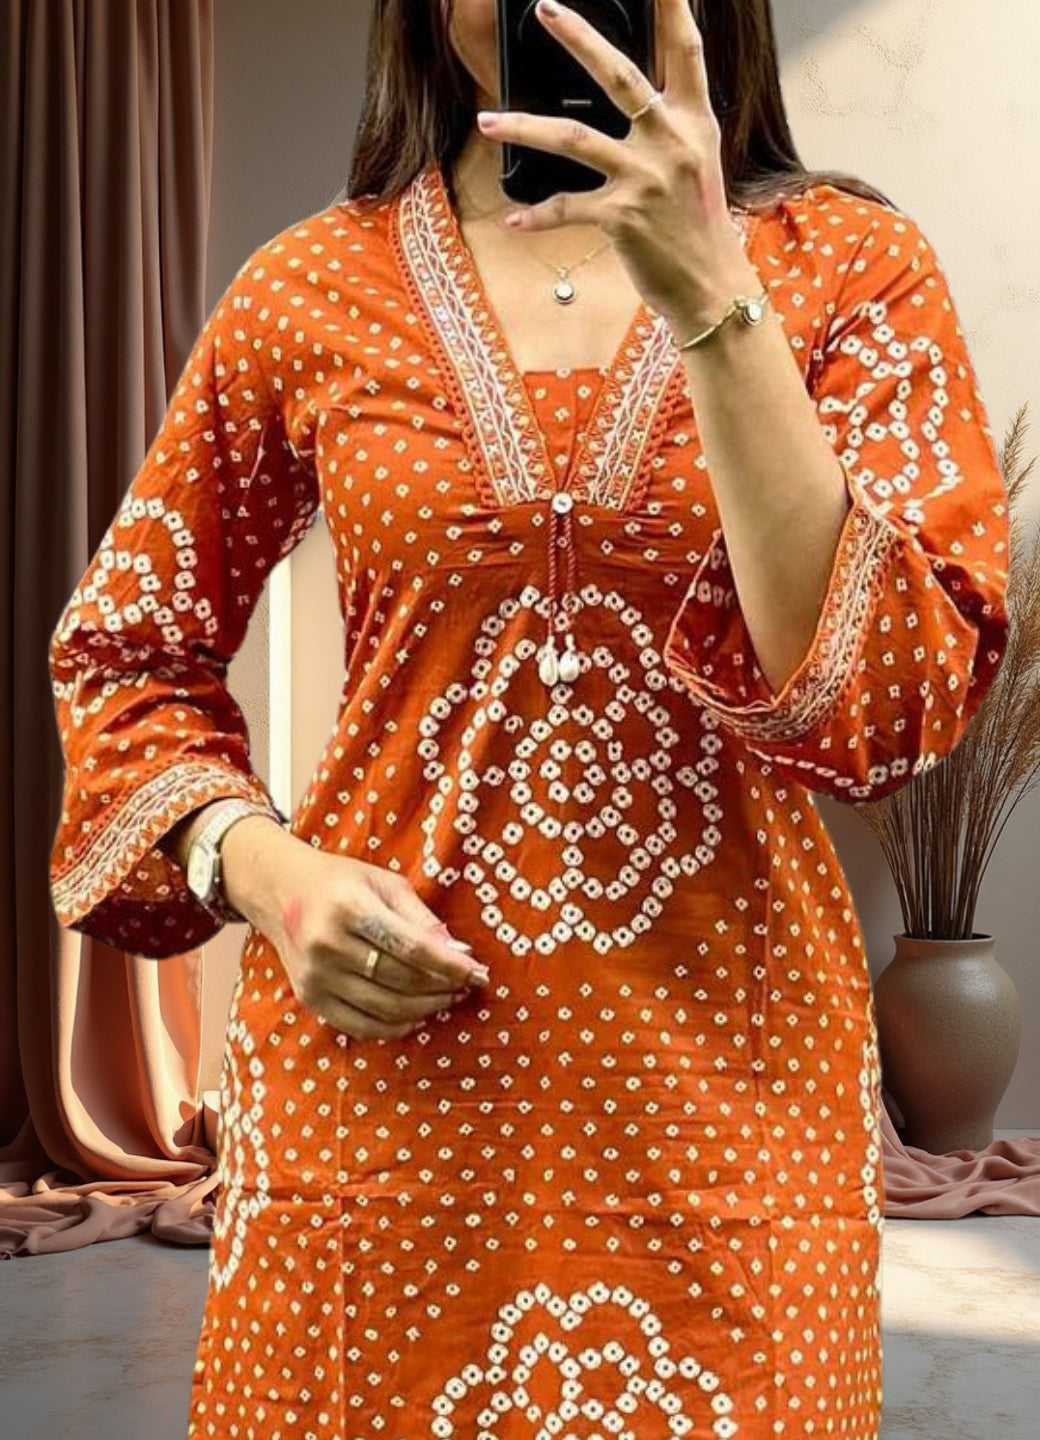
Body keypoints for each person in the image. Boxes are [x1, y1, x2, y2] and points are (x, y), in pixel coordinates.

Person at [48, 1, 1010, 1436]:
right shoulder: (311, 285)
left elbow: (890, 703)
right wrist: (266, 872)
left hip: (729, 1113)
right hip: (379, 1110)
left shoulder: (849, 267)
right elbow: (126, 651)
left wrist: (715, 295)